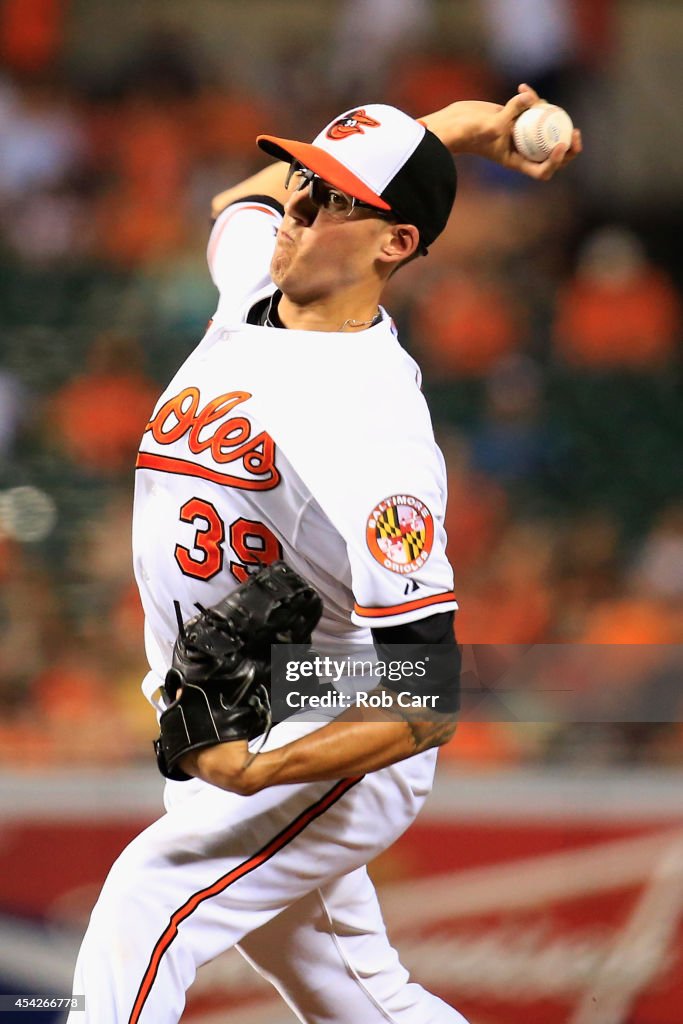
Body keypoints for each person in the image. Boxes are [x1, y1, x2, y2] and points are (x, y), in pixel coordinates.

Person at [68, 84, 580, 1024]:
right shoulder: (250, 291)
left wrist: (256, 775)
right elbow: (237, 204)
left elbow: (427, 697)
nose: (299, 204)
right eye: (308, 179)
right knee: (354, 990)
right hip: (249, 694)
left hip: (332, 710)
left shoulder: (373, 427)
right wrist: (446, 133)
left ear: (395, 244)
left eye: (336, 198)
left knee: (149, 897)